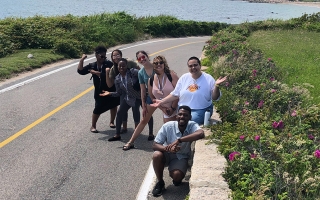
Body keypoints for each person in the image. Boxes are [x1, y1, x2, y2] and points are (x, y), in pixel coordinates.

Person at [122, 54, 179, 151]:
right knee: (144, 120)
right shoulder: (148, 77)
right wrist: (145, 105)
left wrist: (172, 108)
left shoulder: (171, 75)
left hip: (173, 103)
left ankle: (177, 149)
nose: (158, 64)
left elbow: (179, 92)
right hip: (157, 101)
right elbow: (147, 92)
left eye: (160, 62)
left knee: (173, 127)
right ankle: (131, 142)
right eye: (156, 63)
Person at [151, 56, 227, 125]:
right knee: (175, 125)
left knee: (188, 122)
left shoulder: (208, 78)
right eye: (190, 66)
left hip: (200, 110)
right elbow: (175, 94)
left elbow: (215, 97)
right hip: (183, 109)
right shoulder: (184, 77)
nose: (193, 67)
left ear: (200, 65)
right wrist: (161, 101)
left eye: (195, 65)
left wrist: (216, 86)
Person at [151, 105, 204, 197]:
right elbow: (155, 145)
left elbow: (200, 134)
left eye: (185, 115)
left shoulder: (192, 125)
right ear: (176, 116)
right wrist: (167, 148)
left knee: (177, 176)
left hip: (181, 156)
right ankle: (160, 182)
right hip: (167, 154)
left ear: (190, 117)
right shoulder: (168, 126)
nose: (182, 117)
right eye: (180, 114)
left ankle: (176, 177)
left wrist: (180, 140)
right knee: (156, 155)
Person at [77, 45, 119, 133]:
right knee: (97, 108)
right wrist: (82, 60)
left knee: (113, 105)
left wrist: (98, 73)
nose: (103, 58)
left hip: (110, 89)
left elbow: (112, 76)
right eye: (101, 56)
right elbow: (80, 71)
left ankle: (111, 122)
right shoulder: (92, 65)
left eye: (105, 56)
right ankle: (93, 126)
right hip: (99, 91)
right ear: (96, 55)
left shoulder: (109, 64)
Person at [100, 58, 141, 141]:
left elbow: (143, 76)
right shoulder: (118, 78)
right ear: (117, 67)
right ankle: (117, 134)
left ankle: (139, 131)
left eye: (123, 66)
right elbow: (119, 93)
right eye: (120, 66)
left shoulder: (133, 72)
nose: (121, 68)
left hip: (138, 96)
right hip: (128, 97)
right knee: (119, 113)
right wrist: (110, 93)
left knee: (136, 111)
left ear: (127, 66)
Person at [106, 49, 140, 133]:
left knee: (135, 108)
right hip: (123, 90)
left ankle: (137, 129)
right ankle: (124, 127)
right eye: (114, 55)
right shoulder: (113, 69)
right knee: (123, 108)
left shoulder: (129, 62)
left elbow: (140, 71)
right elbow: (110, 85)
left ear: (121, 56)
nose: (116, 57)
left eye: (118, 55)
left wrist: (140, 84)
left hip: (134, 89)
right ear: (112, 58)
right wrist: (106, 72)